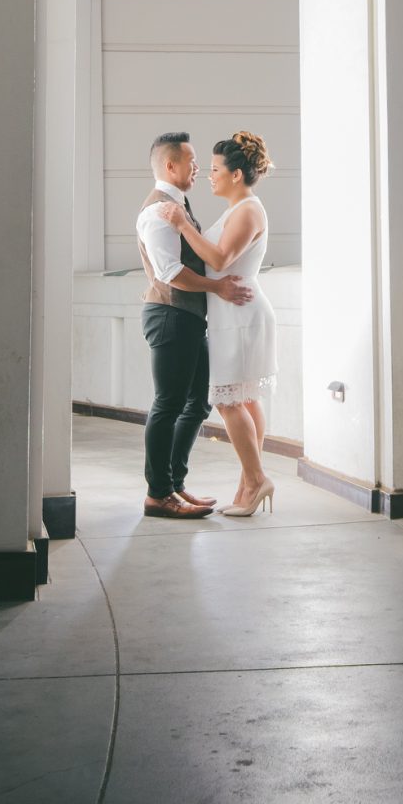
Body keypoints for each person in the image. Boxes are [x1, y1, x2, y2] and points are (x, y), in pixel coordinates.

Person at [134, 132, 255, 520]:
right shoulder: (158, 211)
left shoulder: (178, 206)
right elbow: (170, 273)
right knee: (168, 403)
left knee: (198, 401)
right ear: (171, 166)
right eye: (191, 160)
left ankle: (174, 483)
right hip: (169, 315)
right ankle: (158, 495)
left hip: (187, 317)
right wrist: (217, 287)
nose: (198, 167)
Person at [160, 130, 278, 517]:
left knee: (228, 401)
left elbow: (221, 257)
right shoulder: (239, 208)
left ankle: (257, 479)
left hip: (241, 315)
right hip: (232, 313)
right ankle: (249, 482)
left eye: (214, 169)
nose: (208, 175)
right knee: (242, 398)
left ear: (237, 175)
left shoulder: (247, 210)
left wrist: (181, 223)